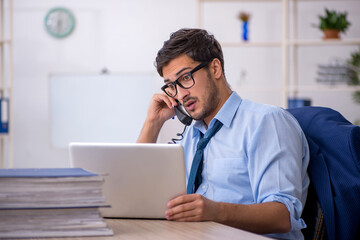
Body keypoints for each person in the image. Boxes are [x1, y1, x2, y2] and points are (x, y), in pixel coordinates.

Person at [137, 28, 310, 239]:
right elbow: (139, 190)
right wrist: (152, 123)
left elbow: (283, 216)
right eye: (171, 86)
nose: (181, 94)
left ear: (215, 68)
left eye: (185, 78)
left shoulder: (266, 122)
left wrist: (215, 212)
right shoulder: (192, 135)